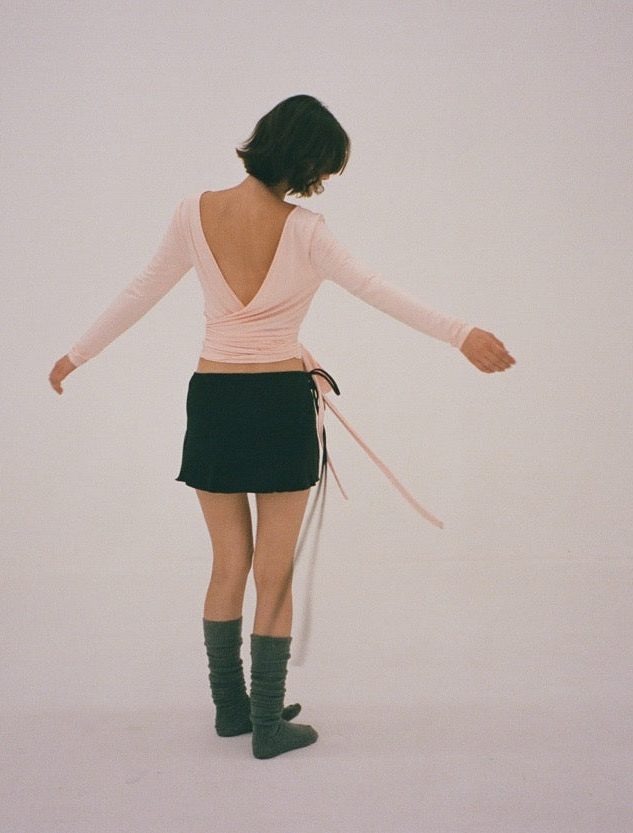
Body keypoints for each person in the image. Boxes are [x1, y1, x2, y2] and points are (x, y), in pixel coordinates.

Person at [49, 95, 514, 759]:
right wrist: (461, 333)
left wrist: (77, 354)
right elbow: (377, 289)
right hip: (277, 405)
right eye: (321, 168)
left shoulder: (192, 212)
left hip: (213, 401)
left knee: (227, 563)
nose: (318, 182)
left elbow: (140, 289)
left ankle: (232, 710)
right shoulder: (307, 231)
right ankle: (268, 723)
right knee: (273, 570)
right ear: (304, 160)